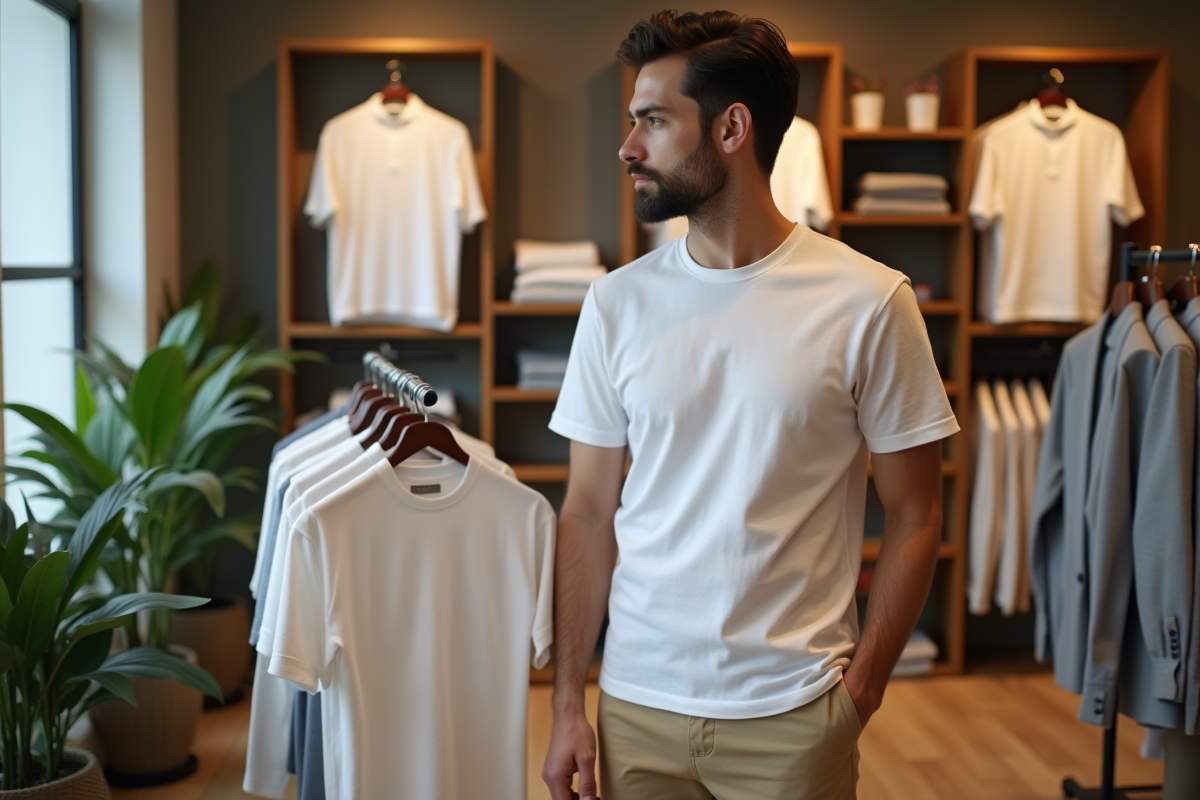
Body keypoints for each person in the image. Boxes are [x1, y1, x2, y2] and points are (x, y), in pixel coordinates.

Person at [542, 10, 959, 800]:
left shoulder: (870, 302)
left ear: (733, 128)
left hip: (794, 714)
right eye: (633, 122)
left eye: (654, 122)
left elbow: (916, 515)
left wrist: (859, 694)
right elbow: (587, 512)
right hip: (636, 709)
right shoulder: (613, 306)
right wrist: (569, 703)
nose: (628, 147)